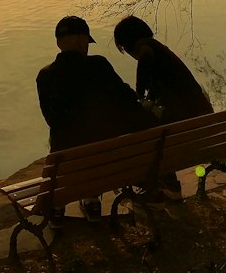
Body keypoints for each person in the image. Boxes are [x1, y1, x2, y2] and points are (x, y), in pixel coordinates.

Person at [36, 14, 154, 219]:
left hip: (68, 165)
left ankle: (60, 205)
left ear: (58, 43)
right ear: (81, 40)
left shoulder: (45, 76)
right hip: (112, 163)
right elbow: (127, 100)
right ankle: (91, 198)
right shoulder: (99, 65)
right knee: (98, 130)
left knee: (63, 133)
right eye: (87, 42)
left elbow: (52, 119)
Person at [113, 15, 214, 124]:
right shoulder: (161, 52)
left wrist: (140, 92)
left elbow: (146, 54)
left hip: (191, 118)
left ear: (127, 45)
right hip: (202, 113)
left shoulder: (145, 46)